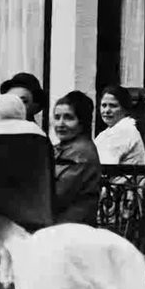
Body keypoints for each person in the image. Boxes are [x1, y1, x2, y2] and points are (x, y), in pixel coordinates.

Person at [52, 91, 101, 226]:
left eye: (68, 118)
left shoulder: (81, 153)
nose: (60, 124)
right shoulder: (60, 148)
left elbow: (57, 194)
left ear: (81, 122)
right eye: (57, 117)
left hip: (72, 229)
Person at [93, 85, 145, 165]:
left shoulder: (124, 131)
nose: (107, 110)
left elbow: (104, 167)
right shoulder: (107, 133)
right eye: (104, 105)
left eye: (113, 106)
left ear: (125, 109)